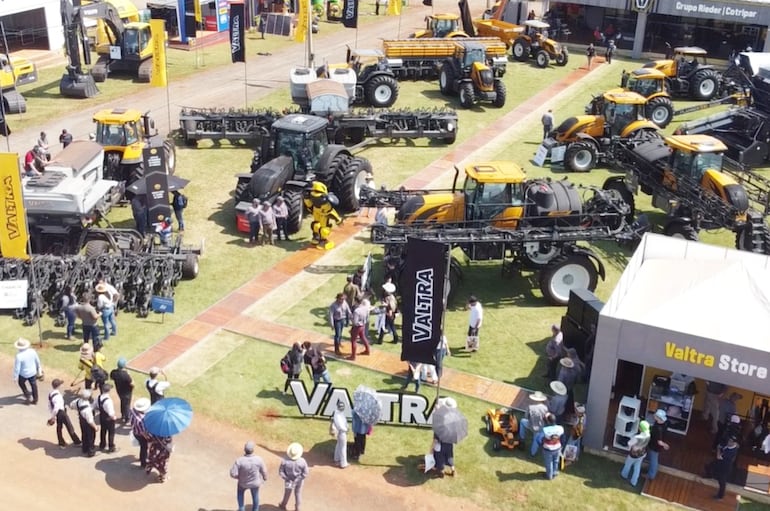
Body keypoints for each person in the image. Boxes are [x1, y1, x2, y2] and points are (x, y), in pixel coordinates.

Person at [230, 440, 268, 511]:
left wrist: (238, 477)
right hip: (255, 483)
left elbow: (233, 473)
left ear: (244, 450)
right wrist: (265, 478)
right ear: (253, 450)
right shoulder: (258, 459)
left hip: (243, 483)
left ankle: (241, 509)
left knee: (240, 495)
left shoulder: (239, 460)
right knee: (255, 496)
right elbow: (264, 471)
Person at [47, 378, 81, 448]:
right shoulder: (58, 396)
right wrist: (53, 417)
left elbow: (50, 405)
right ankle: (77, 441)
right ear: (59, 386)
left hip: (57, 413)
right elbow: (56, 407)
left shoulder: (51, 394)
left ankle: (61, 442)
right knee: (69, 426)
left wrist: (53, 414)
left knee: (59, 427)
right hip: (61, 412)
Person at [706, 434, 740, 499]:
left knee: (722, 481)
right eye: (729, 440)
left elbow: (719, 456)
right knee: (709, 466)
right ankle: (709, 475)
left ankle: (720, 496)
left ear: (733, 442)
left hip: (725, 467)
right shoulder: (731, 445)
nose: (728, 442)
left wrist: (718, 448)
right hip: (720, 463)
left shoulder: (731, 452)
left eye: (730, 441)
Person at [279, 442, 309, 511]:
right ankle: (297, 508)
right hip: (299, 481)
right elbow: (305, 473)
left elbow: (281, 472)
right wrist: (298, 479)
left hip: (288, 480)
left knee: (287, 493)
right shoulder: (302, 461)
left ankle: (283, 505)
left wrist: (286, 478)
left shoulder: (285, 460)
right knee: (298, 494)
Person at [519, 391, 550, 456]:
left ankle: (522, 437)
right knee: (535, 440)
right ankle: (533, 453)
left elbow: (526, 416)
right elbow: (546, 418)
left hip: (531, 425)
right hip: (540, 427)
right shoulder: (545, 408)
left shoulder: (530, 407)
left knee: (522, 421)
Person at [620, 420, 650, 487]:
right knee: (637, 467)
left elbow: (629, 443)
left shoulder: (637, 437)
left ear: (640, 428)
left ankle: (624, 475)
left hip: (634, 454)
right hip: (642, 453)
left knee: (628, 464)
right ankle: (634, 482)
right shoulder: (648, 435)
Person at [13, 337, 41, 405]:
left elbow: (17, 368)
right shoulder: (32, 351)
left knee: (21, 383)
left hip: (23, 374)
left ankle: (27, 394)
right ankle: (35, 399)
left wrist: (15, 377)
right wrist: (39, 369)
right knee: (34, 385)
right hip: (33, 372)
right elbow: (37, 361)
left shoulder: (19, 356)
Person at [70, 388, 97, 457]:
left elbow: (71, 405)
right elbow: (90, 421)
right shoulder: (87, 409)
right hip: (87, 422)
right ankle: (90, 451)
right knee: (90, 436)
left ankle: (84, 448)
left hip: (81, 420)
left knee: (84, 434)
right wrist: (95, 427)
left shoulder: (78, 401)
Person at [646, 409, 670, 481]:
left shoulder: (658, 428)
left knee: (653, 460)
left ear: (658, 417)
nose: (654, 416)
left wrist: (665, 445)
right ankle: (650, 471)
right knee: (652, 458)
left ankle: (651, 475)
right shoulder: (664, 424)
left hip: (654, 446)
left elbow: (659, 441)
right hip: (654, 445)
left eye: (655, 415)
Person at [110, 358, 134, 425]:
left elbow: (111, 377)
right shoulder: (126, 375)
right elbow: (132, 383)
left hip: (119, 391)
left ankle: (123, 415)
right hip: (127, 392)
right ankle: (127, 418)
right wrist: (129, 375)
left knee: (123, 402)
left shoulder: (113, 372)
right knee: (127, 405)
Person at [541, 413, 564, 480]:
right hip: (557, 447)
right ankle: (554, 472)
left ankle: (549, 476)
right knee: (556, 461)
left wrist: (542, 444)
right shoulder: (560, 428)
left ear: (548, 421)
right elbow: (562, 437)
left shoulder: (545, 429)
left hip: (548, 449)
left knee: (549, 463)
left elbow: (540, 439)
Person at [96, 382, 118, 452]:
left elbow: (95, 406)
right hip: (108, 418)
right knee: (111, 432)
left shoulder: (98, 397)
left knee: (103, 431)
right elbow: (111, 412)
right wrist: (114, 417)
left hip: (102, 416)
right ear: (109, 390)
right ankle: (111, 447)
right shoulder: (108, 401)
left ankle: (102, 444)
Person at [131, 397, 151, 468]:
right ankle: (143, 463)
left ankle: (142, 458)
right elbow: (143, 432)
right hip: (140, 435)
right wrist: (149, 438)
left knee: (142, 447)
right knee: (144, 448)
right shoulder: (141, 420)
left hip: (135, 431)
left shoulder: (133, 410)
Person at [330, 400, 349, 468]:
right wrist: (346, 429)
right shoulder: (337, 415)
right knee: (343, 447)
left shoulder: (339, 413)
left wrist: (347, 427)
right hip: (341, 432)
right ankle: (343, 463)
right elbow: (340, 425)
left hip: (341, 431)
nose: (342, 408)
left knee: (339, 445)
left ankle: (336, 459)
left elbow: (344, 422)